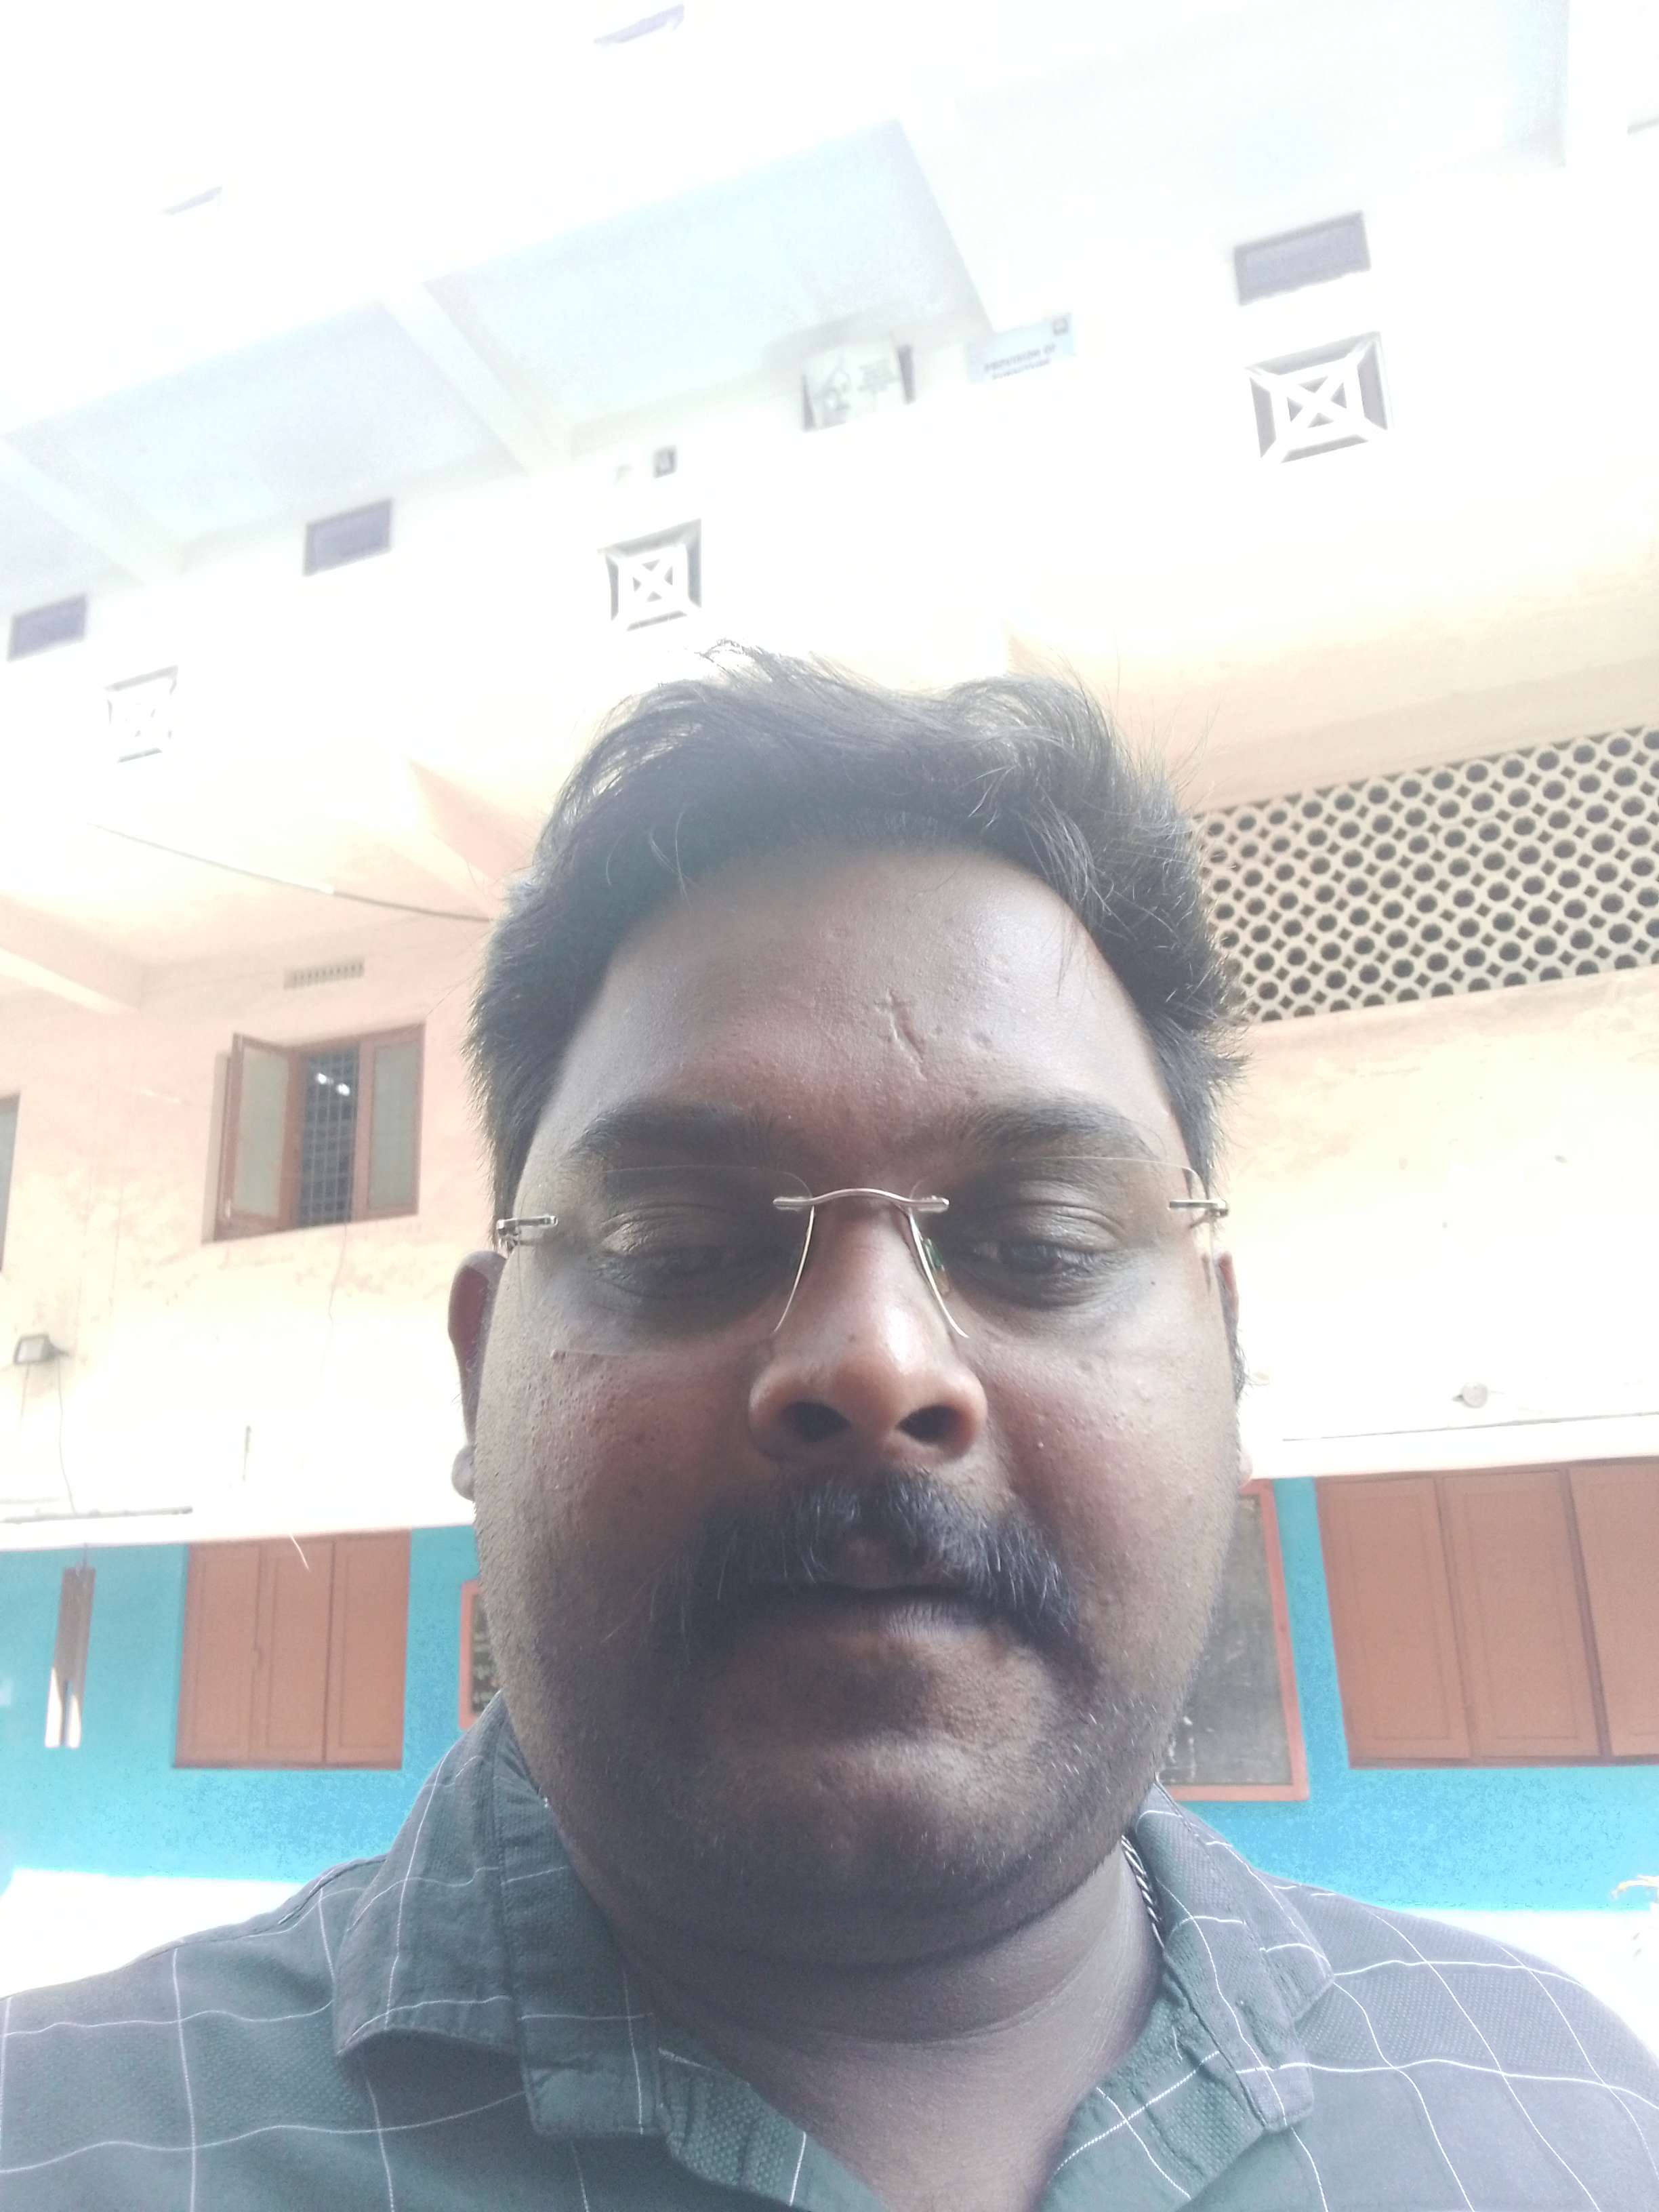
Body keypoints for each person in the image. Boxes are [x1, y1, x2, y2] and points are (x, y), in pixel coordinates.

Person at [5, 651, 1656, 2210]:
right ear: (480, 1371)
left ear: (1225, 1365)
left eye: (1040, 1245)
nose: (873, 1363)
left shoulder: (1568, 2115)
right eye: (675, 1243)